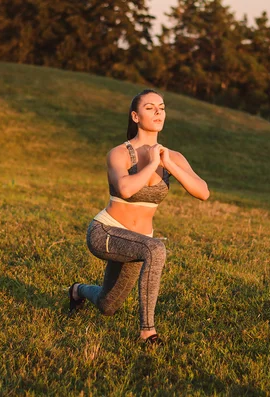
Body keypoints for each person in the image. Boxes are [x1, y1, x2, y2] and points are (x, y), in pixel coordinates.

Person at [68, 89, 210, 345]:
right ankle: (147, 333)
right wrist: (150, 163)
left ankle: (77, 291)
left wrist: (170, 165)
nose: (158, 111)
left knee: (107, 305)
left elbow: (203, 192)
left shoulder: (173, 156)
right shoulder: (120, 154)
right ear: (135, 116)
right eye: (150, 107)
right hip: (106, 233)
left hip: (138, 241)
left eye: (162, 107)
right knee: (156, 249)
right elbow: (125, 189)